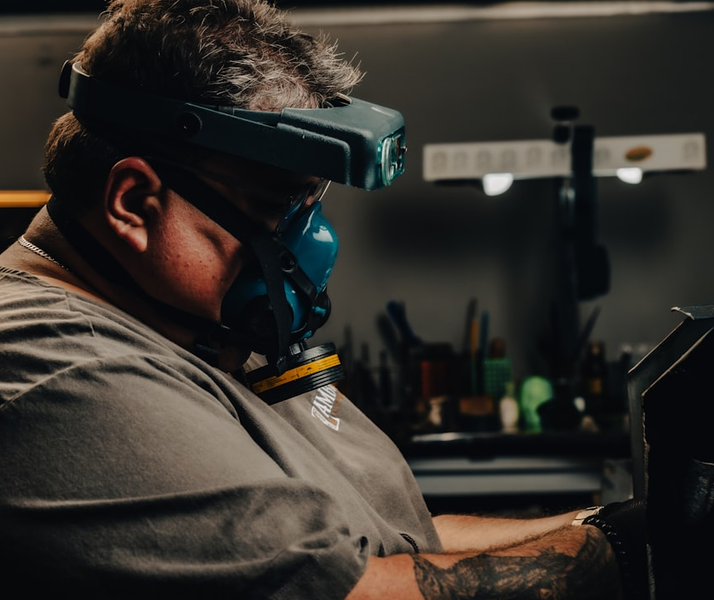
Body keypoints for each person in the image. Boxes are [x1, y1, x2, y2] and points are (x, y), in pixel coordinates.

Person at [0, 1, 645, 598]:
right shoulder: (61, 368)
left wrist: (614, 521)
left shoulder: (185, 323)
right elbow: (360, 588)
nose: (313, 243)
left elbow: (398, 544)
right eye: (277, 206)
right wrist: (620, 554)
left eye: (311, 205)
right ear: (135, 203)